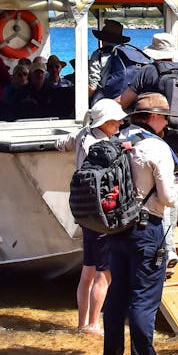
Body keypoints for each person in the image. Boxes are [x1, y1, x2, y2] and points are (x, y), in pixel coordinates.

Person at [102, 92, 178, 355]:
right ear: (153, 117)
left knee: (117, 295)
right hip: (147, 229)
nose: (166, 124)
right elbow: (168, 198)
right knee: (144, 297)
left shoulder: (116, 141)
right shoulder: (156, 147)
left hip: (117, 228)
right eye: (164, 117)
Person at [117, 32, 178, 271]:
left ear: (153, 54)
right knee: (171, 191)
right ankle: (169, 246)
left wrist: (103, 109)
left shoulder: (147, 72)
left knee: (152, 193)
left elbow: (125, 101)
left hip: (153, 141)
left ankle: (162, 249)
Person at [56, 98, 127, 334]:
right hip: (102, 214)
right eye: (115, 121)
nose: (119, 124)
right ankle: (95, 324)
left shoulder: (83, 135)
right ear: (105, 122)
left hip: (84, 211)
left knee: (88, 268)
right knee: (104, 273)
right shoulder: (105, 147)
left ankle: (82, 322)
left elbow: (61, 143)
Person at [89, 19, 150, 103]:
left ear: (103, 38)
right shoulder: (131, 54)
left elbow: (93, 85)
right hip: (132, 99)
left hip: (108, 99)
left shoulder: (99, 54)